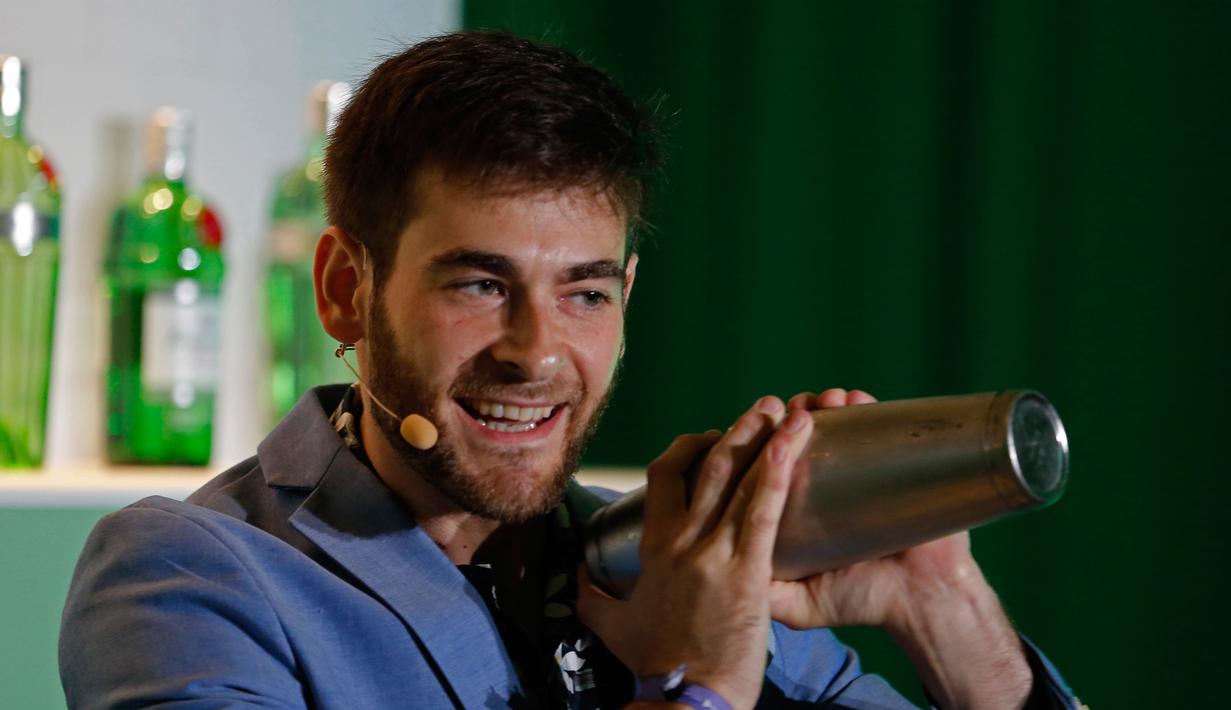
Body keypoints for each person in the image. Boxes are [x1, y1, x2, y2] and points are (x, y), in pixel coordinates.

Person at [60, 30, 1080, 710]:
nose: (537, 350)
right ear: (342, 289)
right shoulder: (187, 575)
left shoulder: (681, 566)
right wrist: (702, 685)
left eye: (585, 293)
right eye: (478, 284)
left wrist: (940, 608)